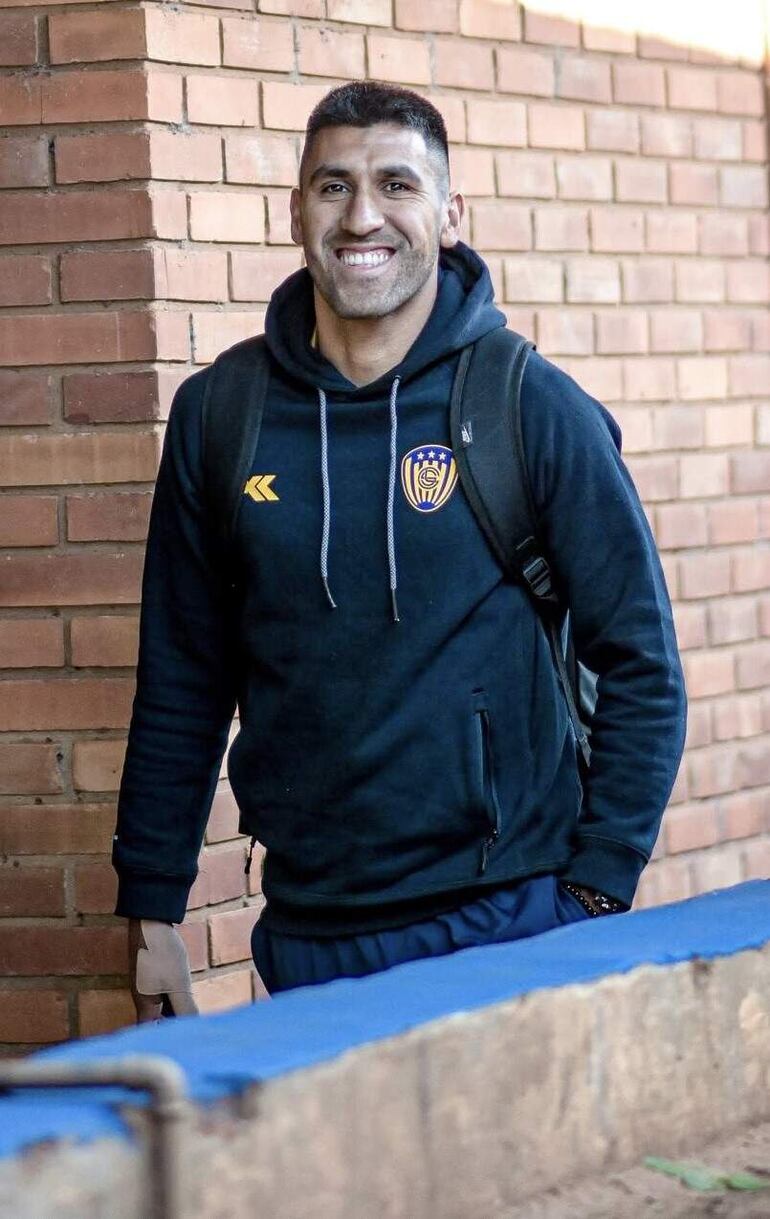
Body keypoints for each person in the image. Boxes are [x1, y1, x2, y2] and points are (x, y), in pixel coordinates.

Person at [115, 81, 687, 1019]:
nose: (362, 217)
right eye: (333, 186)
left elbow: (643, 662)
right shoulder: (221, 415)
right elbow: (182, 677)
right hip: (309, 936)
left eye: (397, 185)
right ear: (295, 211)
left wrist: (597, 887)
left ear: (450, 216)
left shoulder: (527, 405)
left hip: (508, 920)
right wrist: (152, 911)